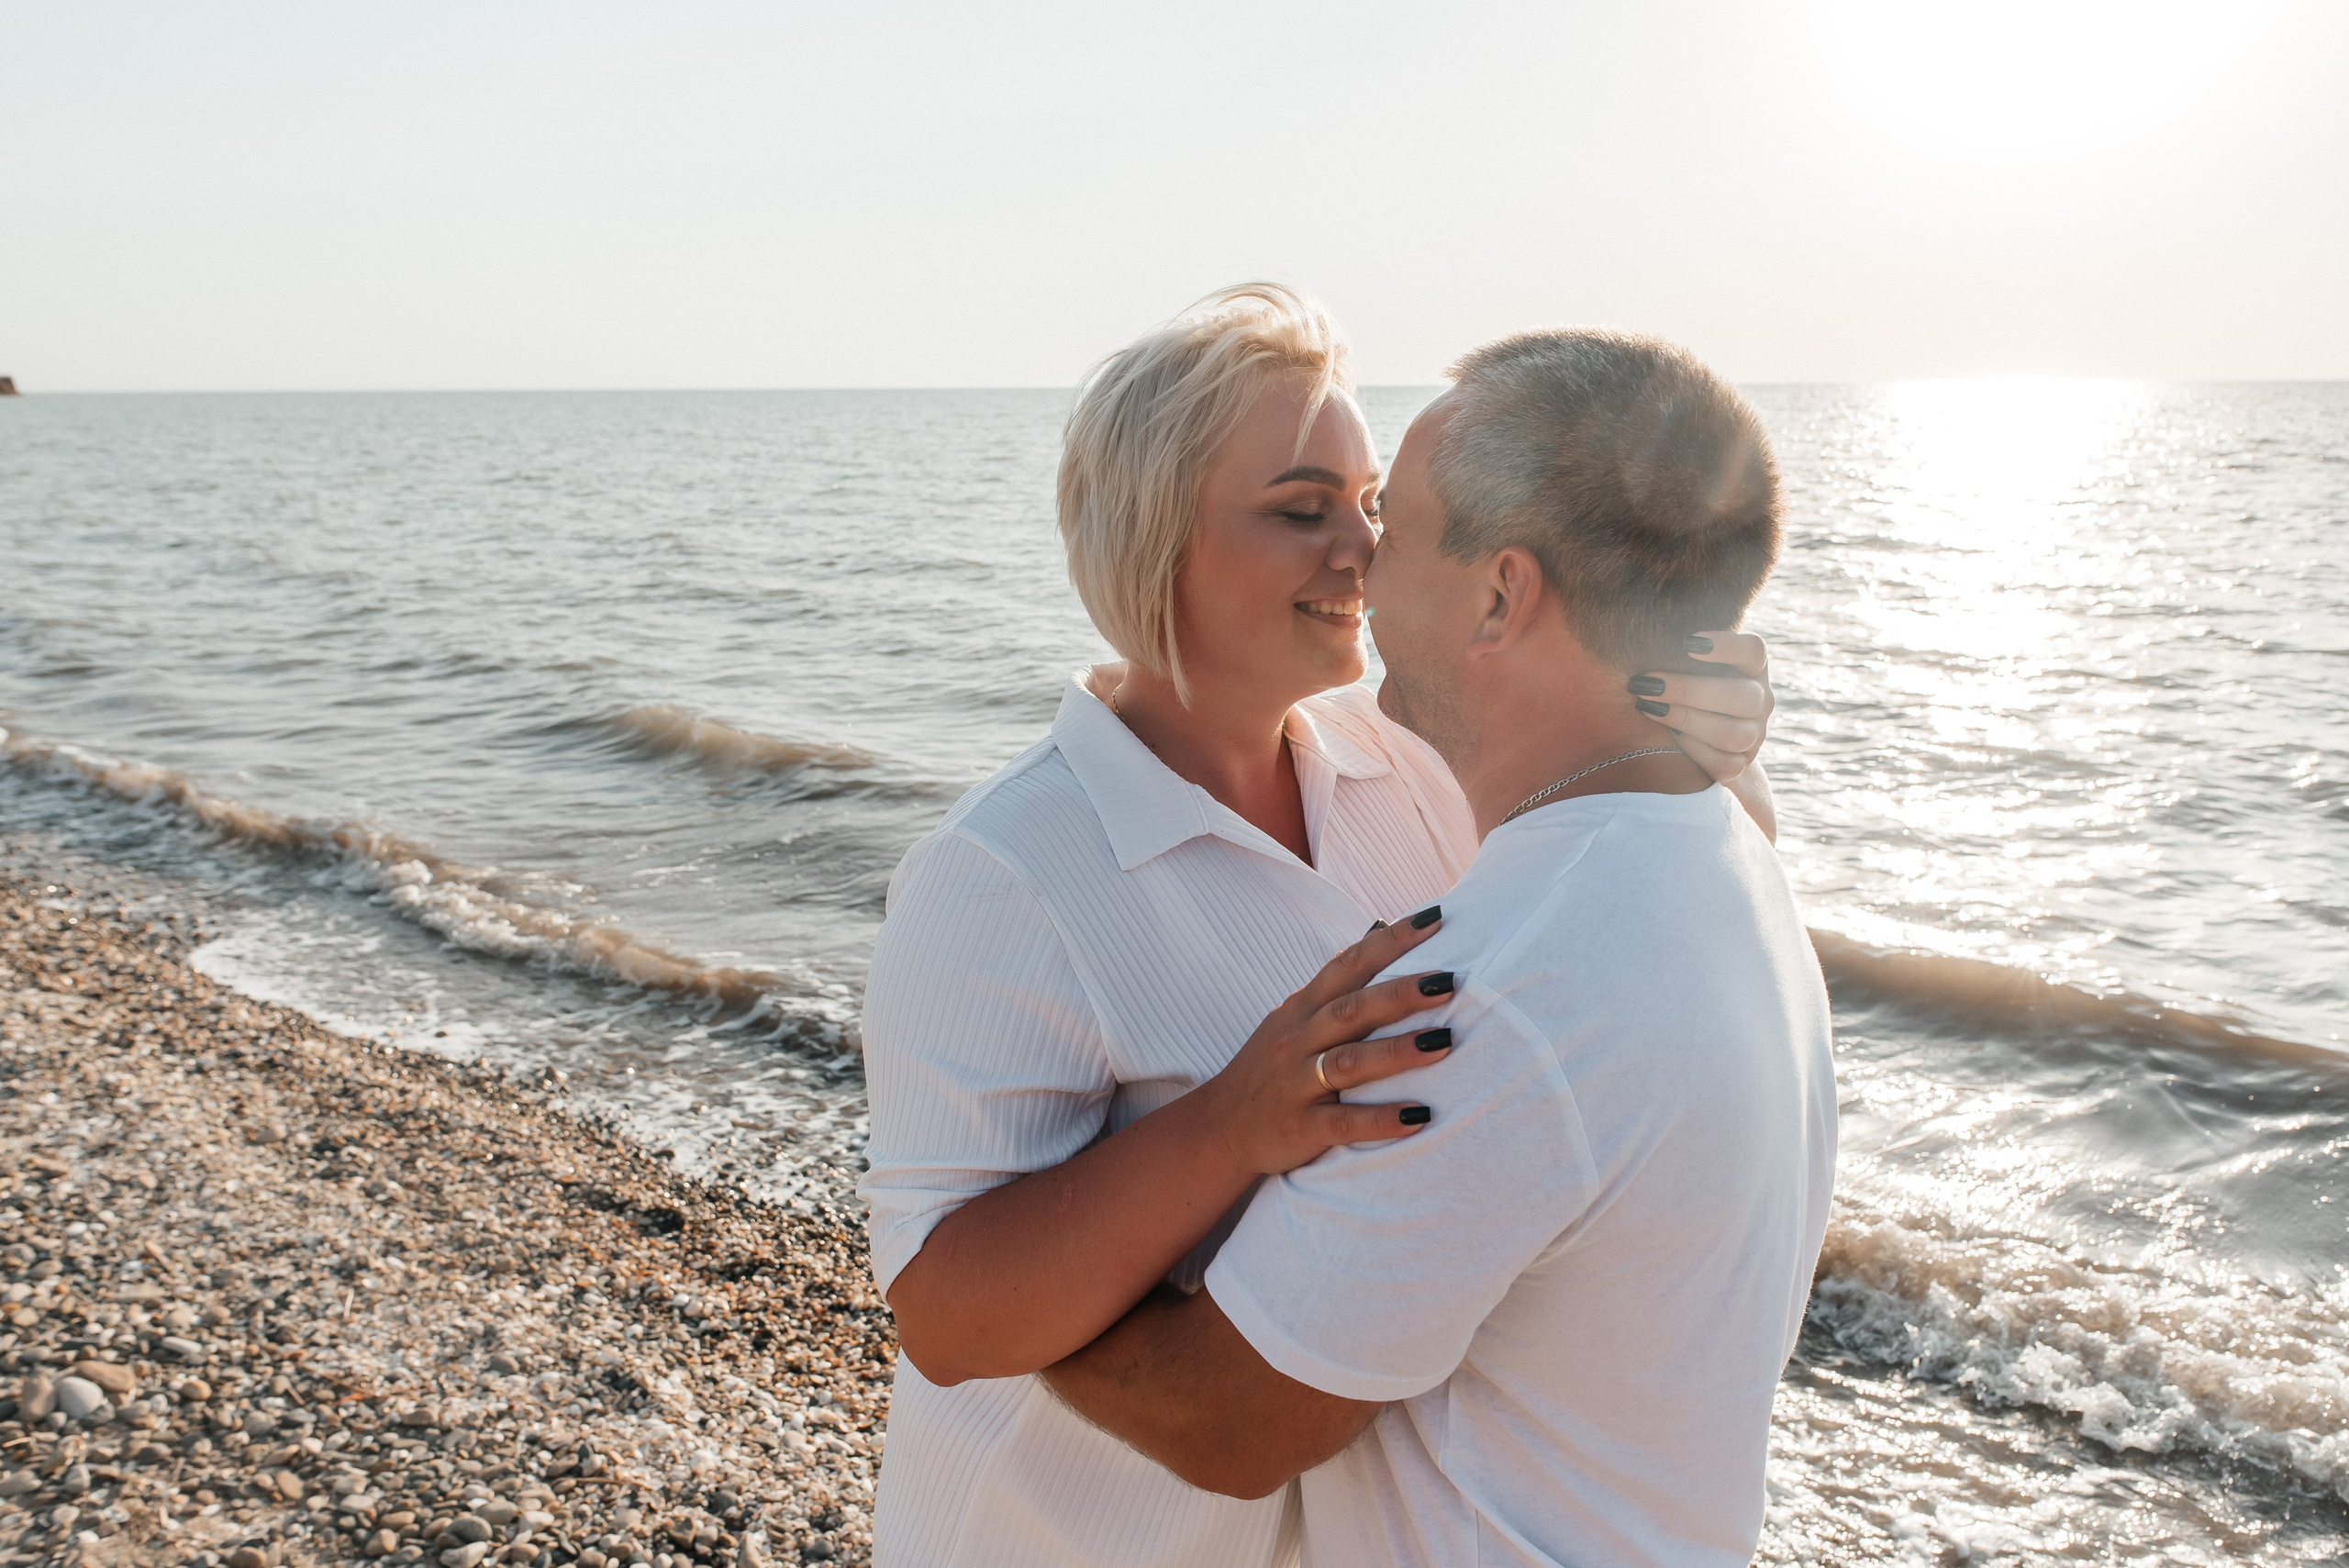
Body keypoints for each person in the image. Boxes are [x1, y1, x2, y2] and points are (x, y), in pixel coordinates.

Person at [857, 286, 1780, 1568]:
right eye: (1302, 512)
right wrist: (1228, 1121)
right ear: (1151, 539)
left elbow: (1606, 933)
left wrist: (1692, 737)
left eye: (1375, 508)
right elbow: (945, 1315)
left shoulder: (1410, 760)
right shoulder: (1004, 871)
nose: (1362, 551)